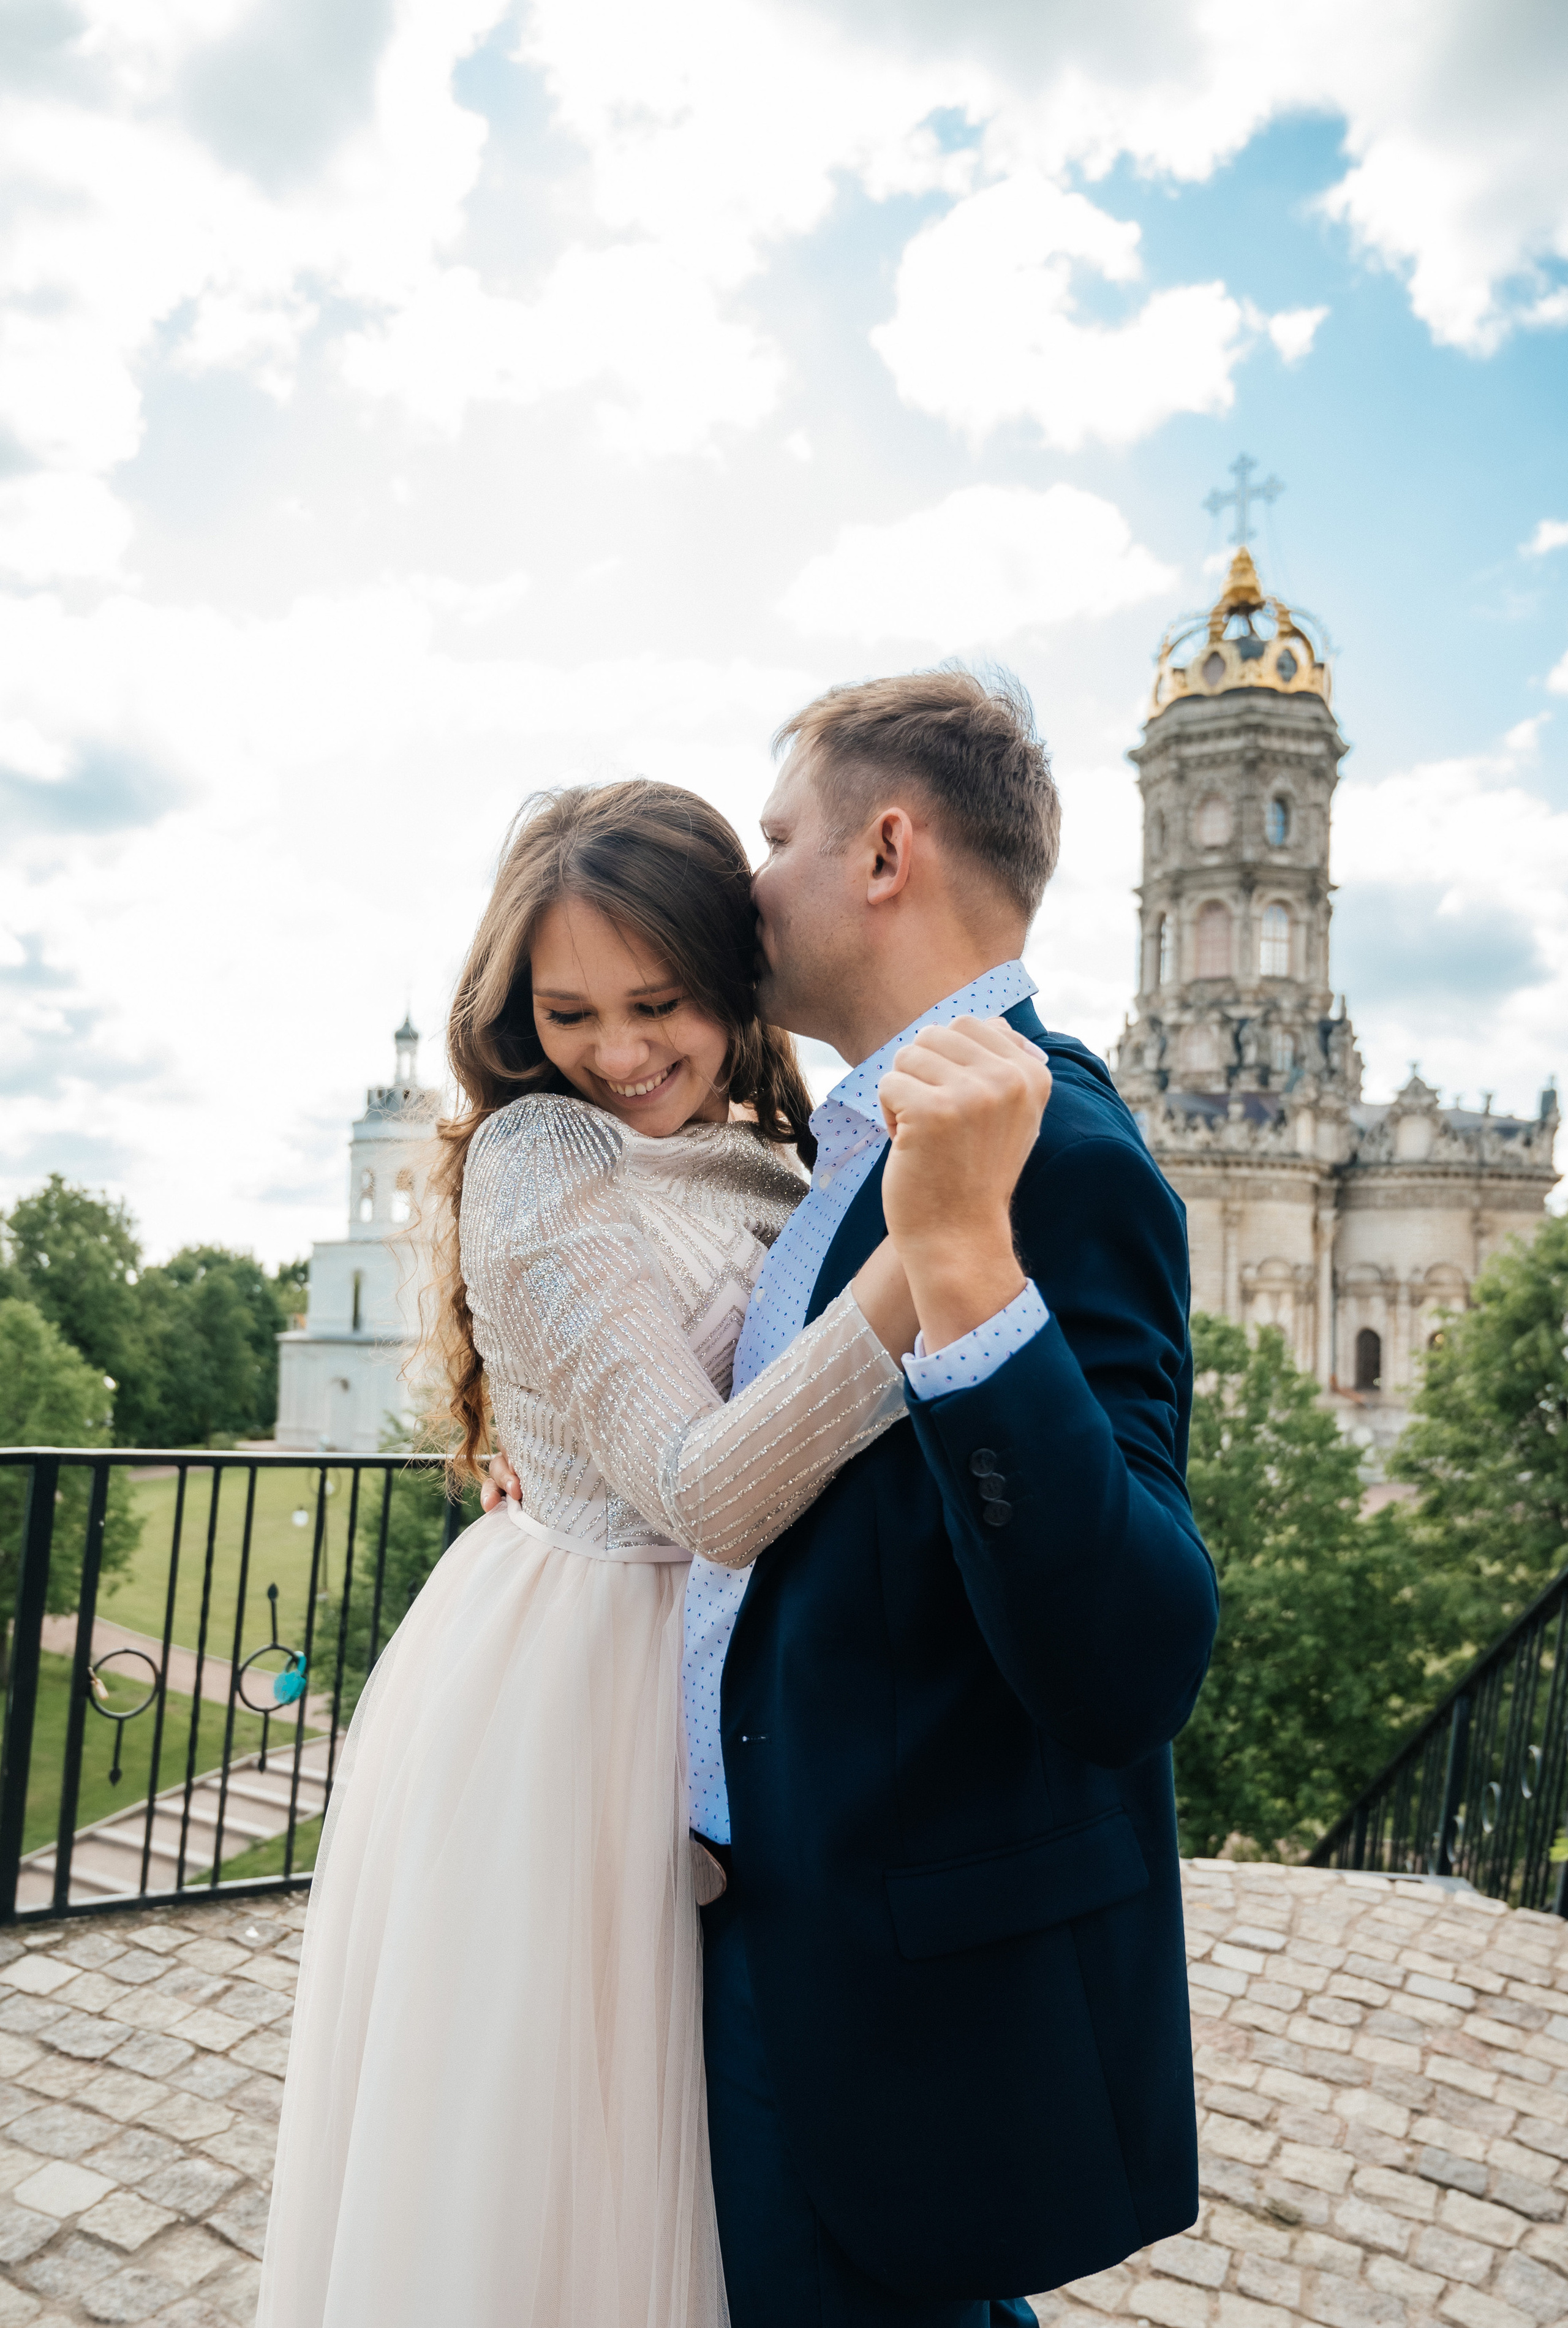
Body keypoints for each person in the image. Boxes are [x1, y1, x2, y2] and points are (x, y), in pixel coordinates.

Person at [255, 777, 1050, 2328]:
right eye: (567, 1011)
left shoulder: (773, 1148)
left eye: (657, 1002)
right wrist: (930, 1250)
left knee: (706, 2149)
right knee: (561, 2154)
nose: (617, 1055)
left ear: (730, 972)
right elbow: (699, 1490)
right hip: (570, 1693)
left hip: (724, 1688)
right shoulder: (543, 1151)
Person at [485, 668, 1220, 2326]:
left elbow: (1133, 1659)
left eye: (779, 834)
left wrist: (962, 1269)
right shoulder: (824, 1141)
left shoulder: (1061, 1157)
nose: (750, 881)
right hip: (760, 1908)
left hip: (892, 1974)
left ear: (885, 850)